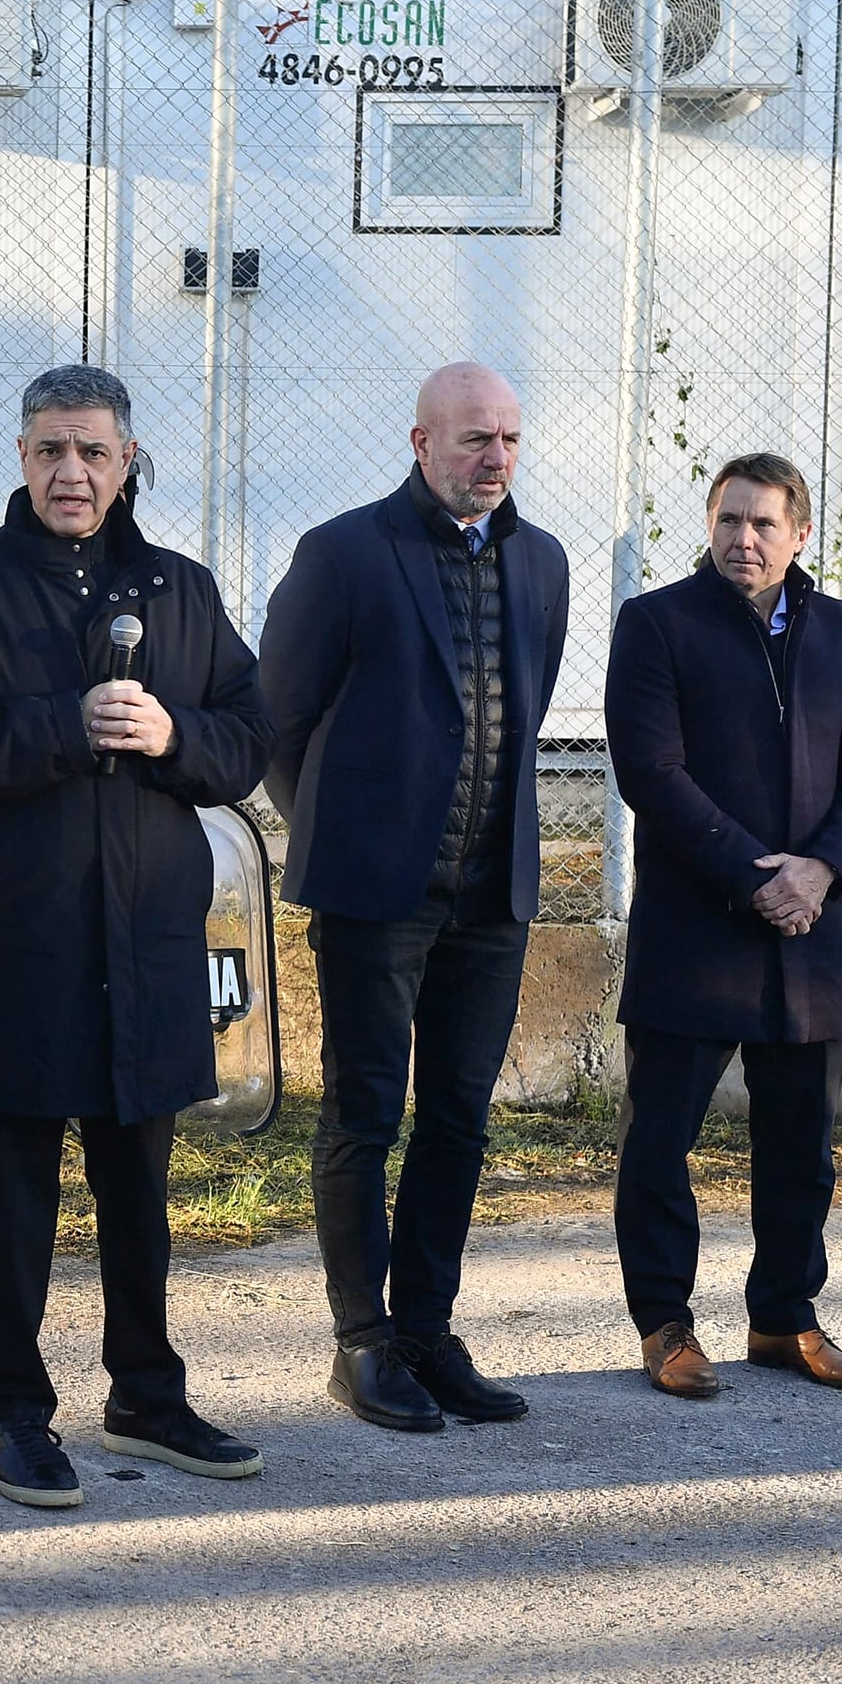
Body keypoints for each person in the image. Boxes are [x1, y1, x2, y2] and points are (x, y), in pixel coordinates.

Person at [0, 364, 271, 1510]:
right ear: (21, 455)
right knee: (15, 1199)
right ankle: (10, 1409)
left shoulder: (181, 590)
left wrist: (173, 731)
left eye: (94, 451)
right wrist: (67, 722)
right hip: (16, 948)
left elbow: (249, 735)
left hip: (146, 948)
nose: (72, 471)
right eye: (51, 448)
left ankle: (146, 1392)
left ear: (127, 461)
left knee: (138, 1190)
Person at [258, 361, 569, 1435]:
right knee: (363, 1113)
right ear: (421, 441)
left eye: (510, 439)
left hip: (492, 895)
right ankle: (364, 1342)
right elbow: (280, 721)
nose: (496, 457)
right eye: (476, 438)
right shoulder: (344, 552)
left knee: (459, 1118)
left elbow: (526, 704)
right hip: (376, 897)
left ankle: (428, 1332)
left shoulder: (541, 560)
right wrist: (345, 834)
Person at [605, 453, 842, 1399]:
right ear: (710, 524)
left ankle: (784, 1318)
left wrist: (820, 871)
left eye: (764, 523)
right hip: (696, 930)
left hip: (809, 933)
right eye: (729, 520)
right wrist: (752, 876)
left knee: (801, 1146)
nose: (744, 539)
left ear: (799, 534)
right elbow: (651, 772)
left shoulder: (840, 629)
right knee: (661, 1142)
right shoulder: (658, 623)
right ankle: (666, 1326)